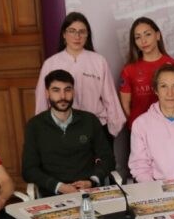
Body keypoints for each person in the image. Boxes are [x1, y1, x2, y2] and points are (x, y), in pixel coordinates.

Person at [34, 12, 125, 144]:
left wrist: (112, 131)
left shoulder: (99, 61)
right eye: (72, 31)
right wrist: (44, 129)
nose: (77, 36)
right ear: (64, 34)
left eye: (82, 32)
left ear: (87, 35)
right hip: (62, 129)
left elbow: (110, 97)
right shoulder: (51, 64)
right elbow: (42, 100)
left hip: (96, 126)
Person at [23, 70, 116, 197]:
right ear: (47, 93)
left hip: (88, 191)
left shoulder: (90, 120)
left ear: (73, 91)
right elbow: (29, 170)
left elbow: (108, 158)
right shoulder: (35, 125)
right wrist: (59, 186)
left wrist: (92, 181)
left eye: (67, 90)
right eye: (56, 90)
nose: (63, 96)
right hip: (53, 194)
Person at [119, 17, 174, 132]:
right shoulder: (128, 70)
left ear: (157, 35)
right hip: (140, 130)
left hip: (170, 129)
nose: (143, 41)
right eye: (138, 37)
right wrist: (138, 127)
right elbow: (125, 105)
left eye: (147, 34)